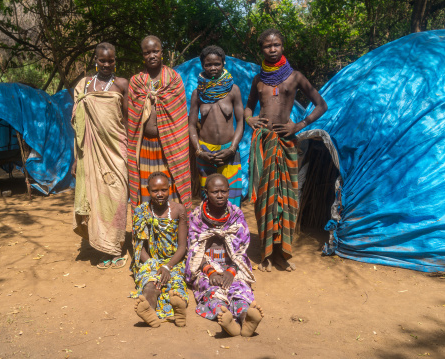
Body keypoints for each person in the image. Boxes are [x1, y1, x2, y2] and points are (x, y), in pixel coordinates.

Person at [244, 29, 328, 272]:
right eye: (267, 46)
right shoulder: (258, 80)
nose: (272, 49)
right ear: (261, 50)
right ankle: (266, 253)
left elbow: (321, 105)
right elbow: (248, 108)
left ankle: (282, 253)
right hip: (263, 144)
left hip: (287, 144)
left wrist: (299, 125)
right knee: (264, 200)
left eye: (276, 45)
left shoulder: (295, 77)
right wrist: (250, 120)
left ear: (283, 47)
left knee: (287, 199)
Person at [71, 42, 130, 269]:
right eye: (102, 60)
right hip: (90, 153)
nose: (107, 64)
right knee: (96, 201)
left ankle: (116, 247)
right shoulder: (84, 85)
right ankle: (104, 250)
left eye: (111, 60)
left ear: (116, 60)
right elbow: (78, 126)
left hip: (116, 151)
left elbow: (127, 121)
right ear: (94, 60)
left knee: (116, 198)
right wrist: (76, 157)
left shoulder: (122, 84)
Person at [185, 174, 264, 337]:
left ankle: (245, 318)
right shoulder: (196, 217)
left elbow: (242, 248)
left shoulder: (236, 215)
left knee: (240, 288)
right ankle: (228, 321)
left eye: (223, 191)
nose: (220, 195)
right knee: (211, 290)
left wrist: (232, 270)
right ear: (206, 192)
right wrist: (210, 270)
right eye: (215, 192)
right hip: (206, 266)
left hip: (232, 265)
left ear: (229, 192)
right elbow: (193, 249)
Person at [127, 35, 192, 213]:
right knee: (147, 188)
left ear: (162, 52)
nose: (152, 55)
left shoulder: (173, 79)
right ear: (143, 56)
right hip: (144, 146)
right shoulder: (136, 82)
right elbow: (131, 118)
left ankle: (173, 229)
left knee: (169, 186)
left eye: (155, 51)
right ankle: (146, 232)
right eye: (147, 52)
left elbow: (179, 116)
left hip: (169, 147)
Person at [188, 46, 244, 207]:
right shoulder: (198, 93)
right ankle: (210, 232)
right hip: (206, 153)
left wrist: (232, 149)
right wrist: (199, 151)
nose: (213, 68)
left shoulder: (233, 90)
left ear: (223, 63)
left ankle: (231, 232)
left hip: (229, 152)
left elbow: (241, 122)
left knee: (232, 197)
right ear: (202, 65)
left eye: (217, 64)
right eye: (208, 64)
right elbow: (191, 125)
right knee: (209, 198)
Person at [131, 172, 188, 328]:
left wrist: (167, 266)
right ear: (148, 191)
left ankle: (179, 309)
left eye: (164, 190)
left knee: (176, 286)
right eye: (155, 191)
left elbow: (182, 246)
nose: (160, 194)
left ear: (169, 189)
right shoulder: (141, 211)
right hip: (150, 261)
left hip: (174, 261)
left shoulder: (179, 210)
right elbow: (139, 247)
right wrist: (155, 266)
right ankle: (149, 311)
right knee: (151, 285)